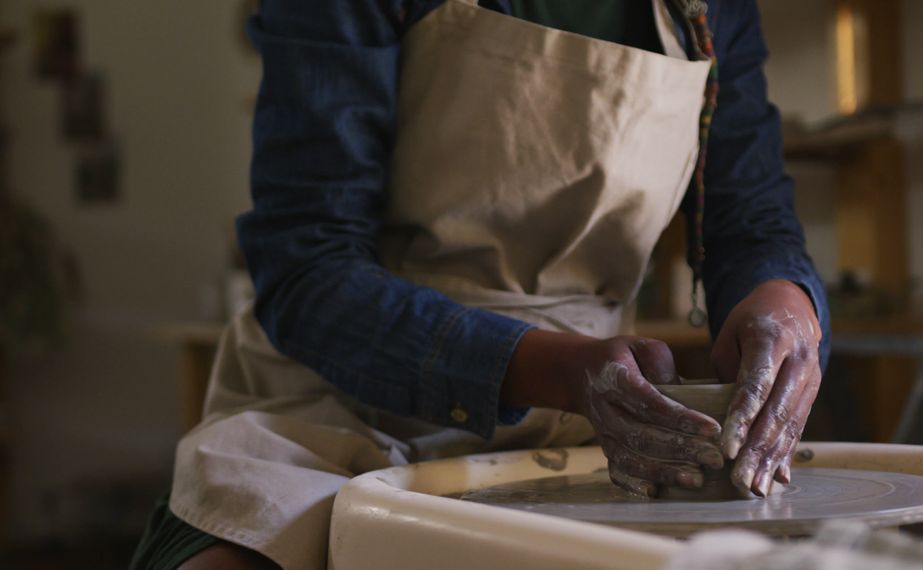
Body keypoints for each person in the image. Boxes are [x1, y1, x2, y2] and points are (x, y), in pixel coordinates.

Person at [130, 0, 830, 568]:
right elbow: (306, 271)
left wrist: (784, 304)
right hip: (329, 408)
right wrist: (553, 369)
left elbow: (750, 218)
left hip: (600, 425)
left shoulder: (707, 9)